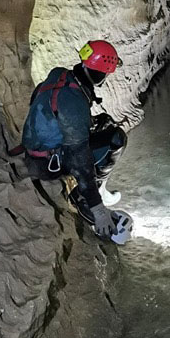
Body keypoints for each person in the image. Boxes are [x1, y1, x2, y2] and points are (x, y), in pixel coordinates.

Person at [19, 40, 127, 239]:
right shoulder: (74, 102)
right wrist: (97, 208)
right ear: (101, 73)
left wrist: (90, 123)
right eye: (106, 74)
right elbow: (80, 161)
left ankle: (97, 191)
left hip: (34, 150)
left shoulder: (60, 75)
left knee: (103, 123)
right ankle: (84, 199)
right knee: (116, 138)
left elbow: (44, 104)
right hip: (48, 165)